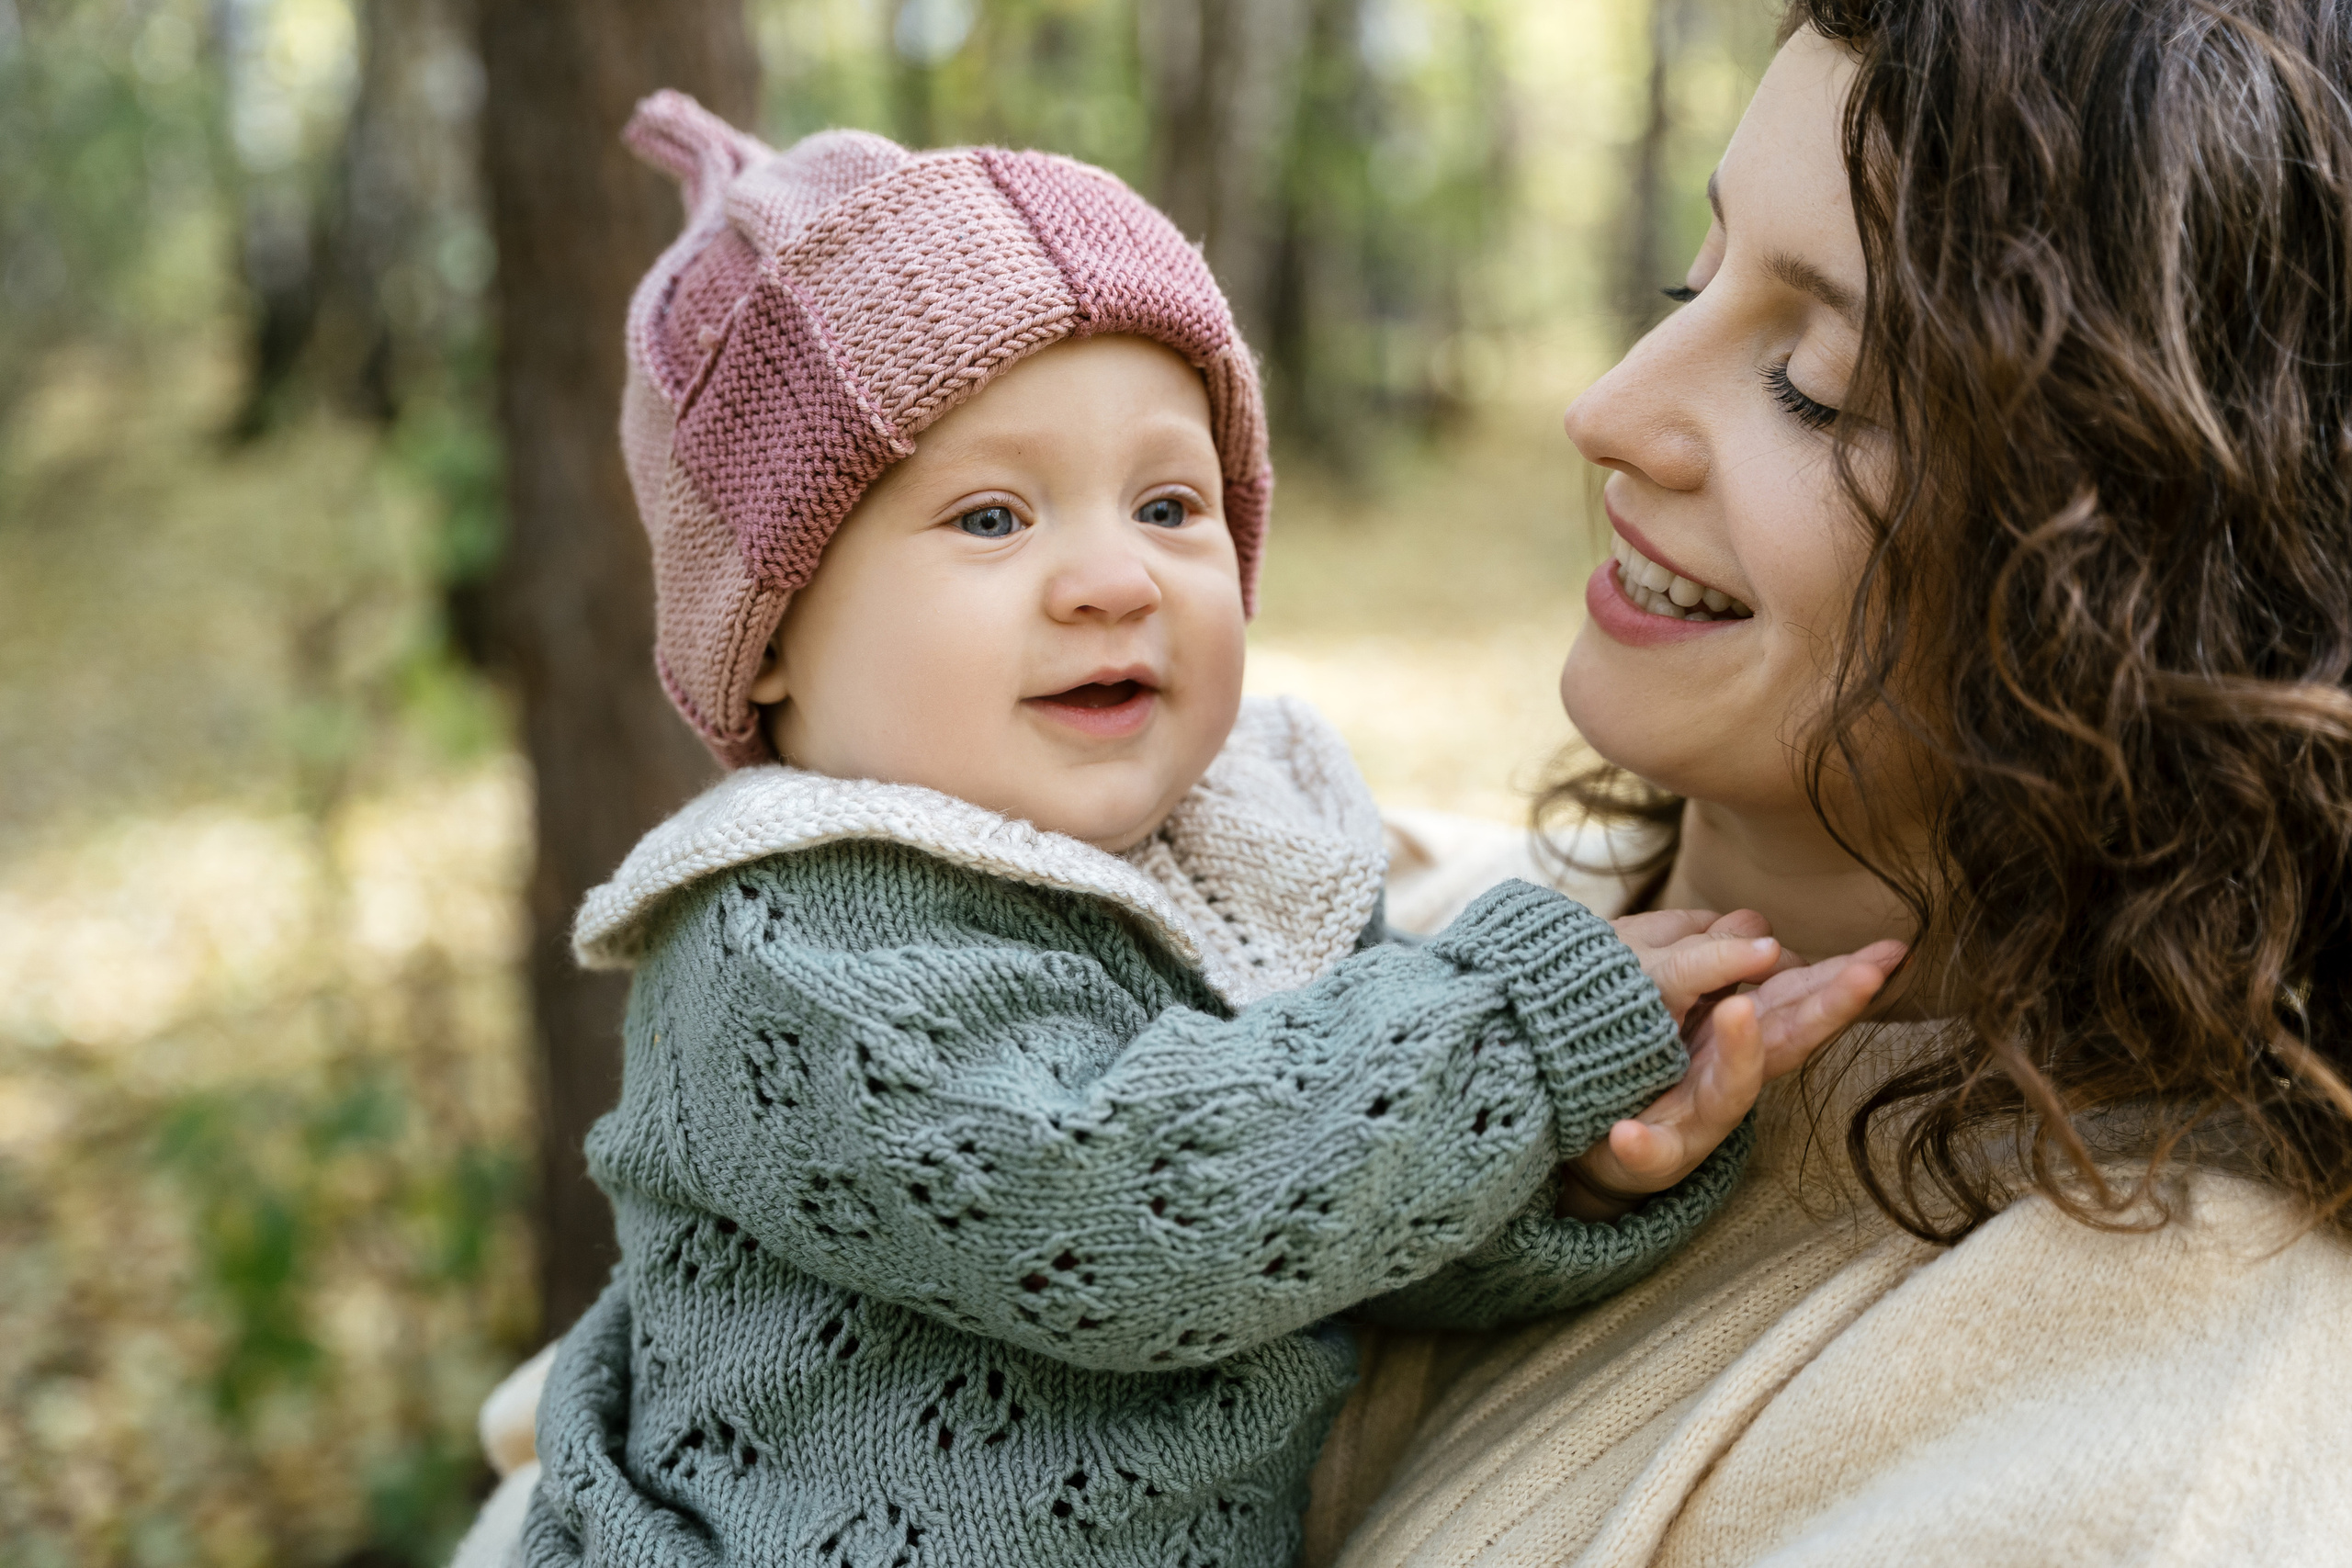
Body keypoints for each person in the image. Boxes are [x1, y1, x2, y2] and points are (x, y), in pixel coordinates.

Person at [458, 94, 1901, 1568]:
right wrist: (1510, 1040)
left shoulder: (1232, 868)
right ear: (767, 637)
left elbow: (1316, 1235)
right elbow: (1126, 1208)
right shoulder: (790, 940)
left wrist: (1563, 1164)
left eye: (1167, 501)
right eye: (991, 520)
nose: (1111, 580)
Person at [1304, 5, 2352, 1563]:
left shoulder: (2147, 1459)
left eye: (1817, 383)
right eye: (1691, 277)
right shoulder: (1350, 913)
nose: (1609, 410)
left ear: (2159, 583)